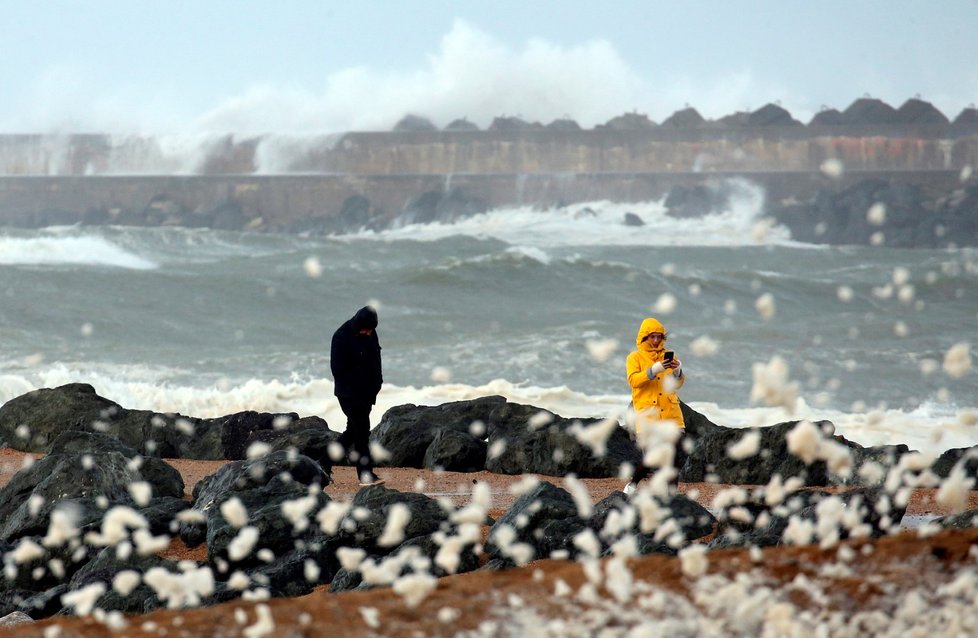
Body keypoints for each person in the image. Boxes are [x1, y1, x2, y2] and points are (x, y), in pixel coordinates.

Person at [624, 317, 686, 494]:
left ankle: (672, 496)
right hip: (648, 417)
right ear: (644, 337)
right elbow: (634, 381)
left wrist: (678, 371)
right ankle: (632, 485)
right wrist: (654, 370)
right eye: (652, 337)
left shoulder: (669, 356)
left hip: (671, 415)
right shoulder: (634, 357)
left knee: (673, 458)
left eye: (659, 336)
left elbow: (678, 383)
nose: (656, 340)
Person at [330, 305, 385, 486]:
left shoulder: (370, 332)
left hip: (367, 393)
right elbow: (338, 371)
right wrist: (357, 392)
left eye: (372, 330)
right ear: (359, 324)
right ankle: (365, 475)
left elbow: (376, 361)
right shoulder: (341, 337)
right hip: (349, 394)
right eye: (367, 329)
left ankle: (321, 463)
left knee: (352, 432)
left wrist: (377, 384)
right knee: (362, 431)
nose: (369, 333)